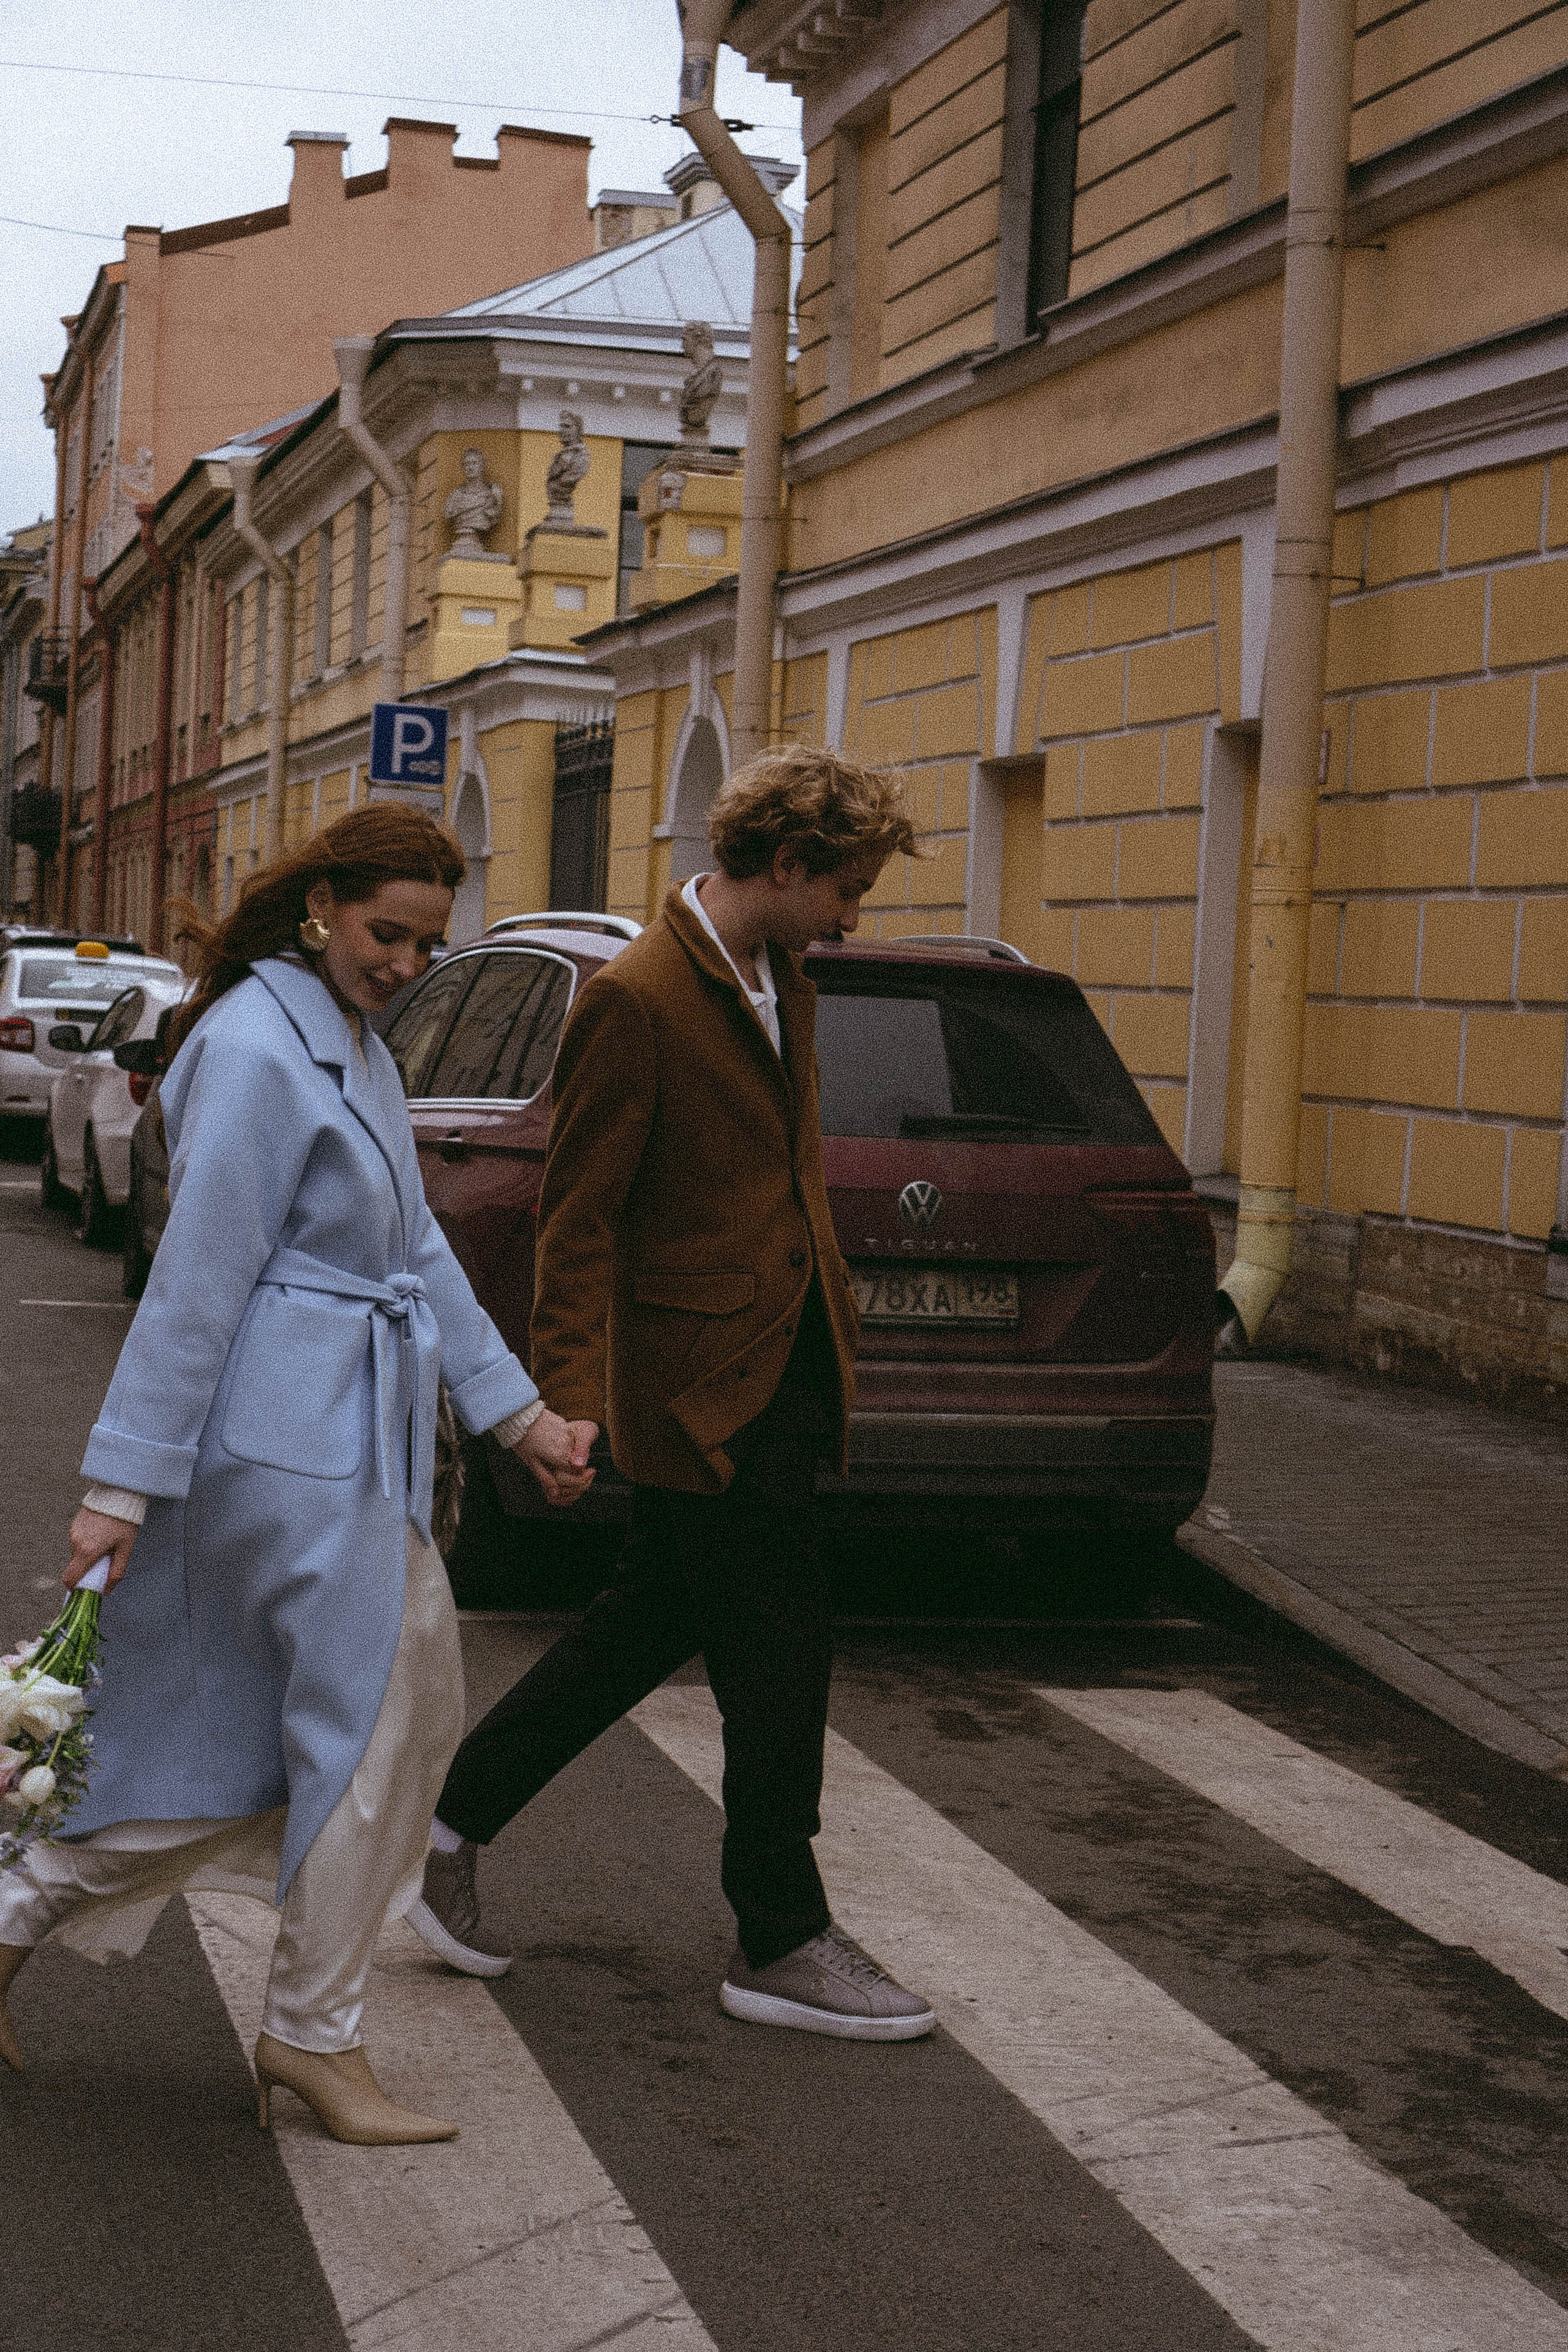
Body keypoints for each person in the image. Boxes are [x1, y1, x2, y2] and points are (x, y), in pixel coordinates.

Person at [0, 805, 592, 2139]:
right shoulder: (269, 1051)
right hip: (292, 1437)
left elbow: (417, 1254)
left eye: (427, 942)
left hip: (333, 1428)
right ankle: (312, 2040)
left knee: (288, 1733)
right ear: (320, 905)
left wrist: (522, 1419)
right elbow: (194, 1284)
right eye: (387, 932)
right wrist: (120, 1484)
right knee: (376, 1725)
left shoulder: (345, 1043)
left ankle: (24, 1920)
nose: (403, 961)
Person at [409, 744, 938, 2041]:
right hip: (703, 1388)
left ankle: (439, 1826)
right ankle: (780, 1937)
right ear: (787, 861)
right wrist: (567, 1403)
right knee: (779, 1647)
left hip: (788, 1361)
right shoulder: (639, 998)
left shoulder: (783, 977)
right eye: (847, 887)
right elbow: (577, 1220)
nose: (853, 915)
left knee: (646, 1621)